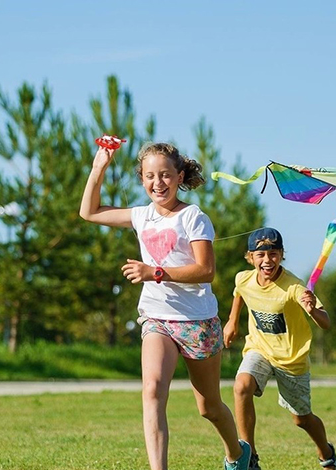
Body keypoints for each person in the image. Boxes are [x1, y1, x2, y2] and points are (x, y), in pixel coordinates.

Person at [80, 142, 251, 470]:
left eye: (165, 175)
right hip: (157, 317)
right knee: (153, 389)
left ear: (179, 176)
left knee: (209, 407)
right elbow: (89, 211)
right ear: (142, 180)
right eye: (149, 176)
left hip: (197, 321)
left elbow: (206, 271)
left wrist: (154, 272)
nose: (158, 182)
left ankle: (237, 453)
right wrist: (98, 167)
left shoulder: (193, 217)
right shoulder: (141, 215)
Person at [224, 227, 336, 470]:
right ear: (250, 257)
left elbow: (326, 323)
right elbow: (239, 293)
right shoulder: (243, 278)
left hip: (291, 359)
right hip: (259, 349)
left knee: (301, 419)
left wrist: (313, 311)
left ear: (281, 255)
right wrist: (232, 322)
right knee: (241, 386)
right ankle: (249, 457)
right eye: (261, 255)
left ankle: (327, 453)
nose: (268, 261)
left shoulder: (294, 287)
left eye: (274, 254)